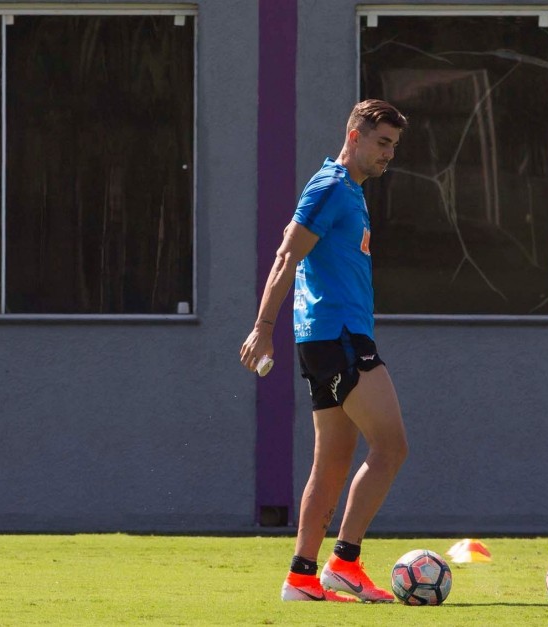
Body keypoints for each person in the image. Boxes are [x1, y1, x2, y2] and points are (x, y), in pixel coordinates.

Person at [240, 99, 409, 603]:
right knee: (392, 446)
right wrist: (262, 327)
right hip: (339, 339)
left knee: (332, 463)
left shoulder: (350, 192)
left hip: (331, 338)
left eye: (394, 147)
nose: (388, 155)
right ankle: (345, 563)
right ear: (354, 136)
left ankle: (301, 577)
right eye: (382, 143)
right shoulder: (331, 186)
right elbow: (286, 254)